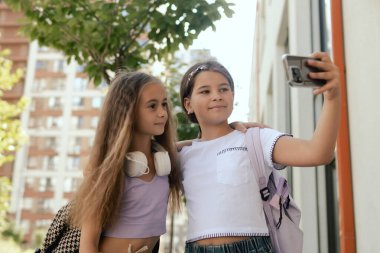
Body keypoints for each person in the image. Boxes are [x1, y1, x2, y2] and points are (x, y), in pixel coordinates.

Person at [178, 52, 340, 253]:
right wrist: (185, 144)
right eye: (204, 91)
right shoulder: (181, 155)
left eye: (223, 89)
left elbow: (318, 153)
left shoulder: (255, 138)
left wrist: (332, 97)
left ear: (232, 96)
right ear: (188, 104)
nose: (216, 95)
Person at [69, 71, 182, 253]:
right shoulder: (107, 170)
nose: (162, 113)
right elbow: (87, 245)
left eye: (164, 105)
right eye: (152, 106)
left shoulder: (164, 159)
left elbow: (202, 144)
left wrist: (234, 127)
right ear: (128, 112)